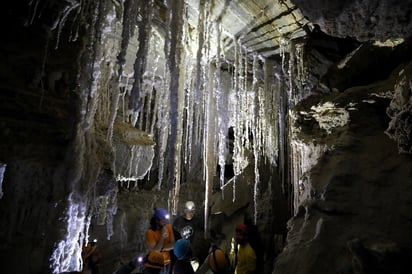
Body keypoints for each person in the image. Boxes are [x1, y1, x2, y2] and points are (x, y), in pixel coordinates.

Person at [172, 201, 209, 270]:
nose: (190, 213)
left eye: (192, 211)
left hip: (192, 250)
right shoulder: (178, 223)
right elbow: (174, 237)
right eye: (188, 211)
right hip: (182, 251)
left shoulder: (197, 221)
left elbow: (205, 230)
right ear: (185, 211)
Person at [144, 208, 176, 274]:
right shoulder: (150, 233)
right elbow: (155, 252)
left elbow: (173, 244)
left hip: (167, 262)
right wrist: (162, 237)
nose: (165, 221)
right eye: (163, 219)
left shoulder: (168, 227)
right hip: (154, 265)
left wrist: (161, 248)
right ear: (157, 221)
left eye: (166, 219)